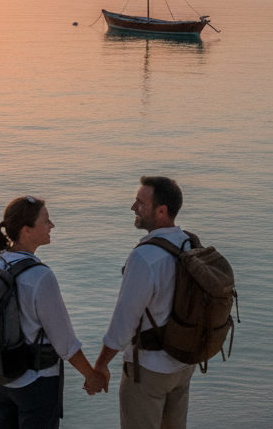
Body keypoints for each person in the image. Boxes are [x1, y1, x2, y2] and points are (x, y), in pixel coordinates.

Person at [0, 195, 105, 429]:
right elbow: (65, 342)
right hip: (34, 383)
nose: (52, 226)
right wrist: (91, 376)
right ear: (26, 230)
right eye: (46, 221)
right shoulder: (40, 276)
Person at [89, 177, 196, 429]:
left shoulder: (144, 256)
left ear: (161, 211)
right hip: (183, 364)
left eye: (140, 202)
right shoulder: (188, 243)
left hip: (149, 369)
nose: (133, 207)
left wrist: (101, 364)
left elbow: (123, 324)